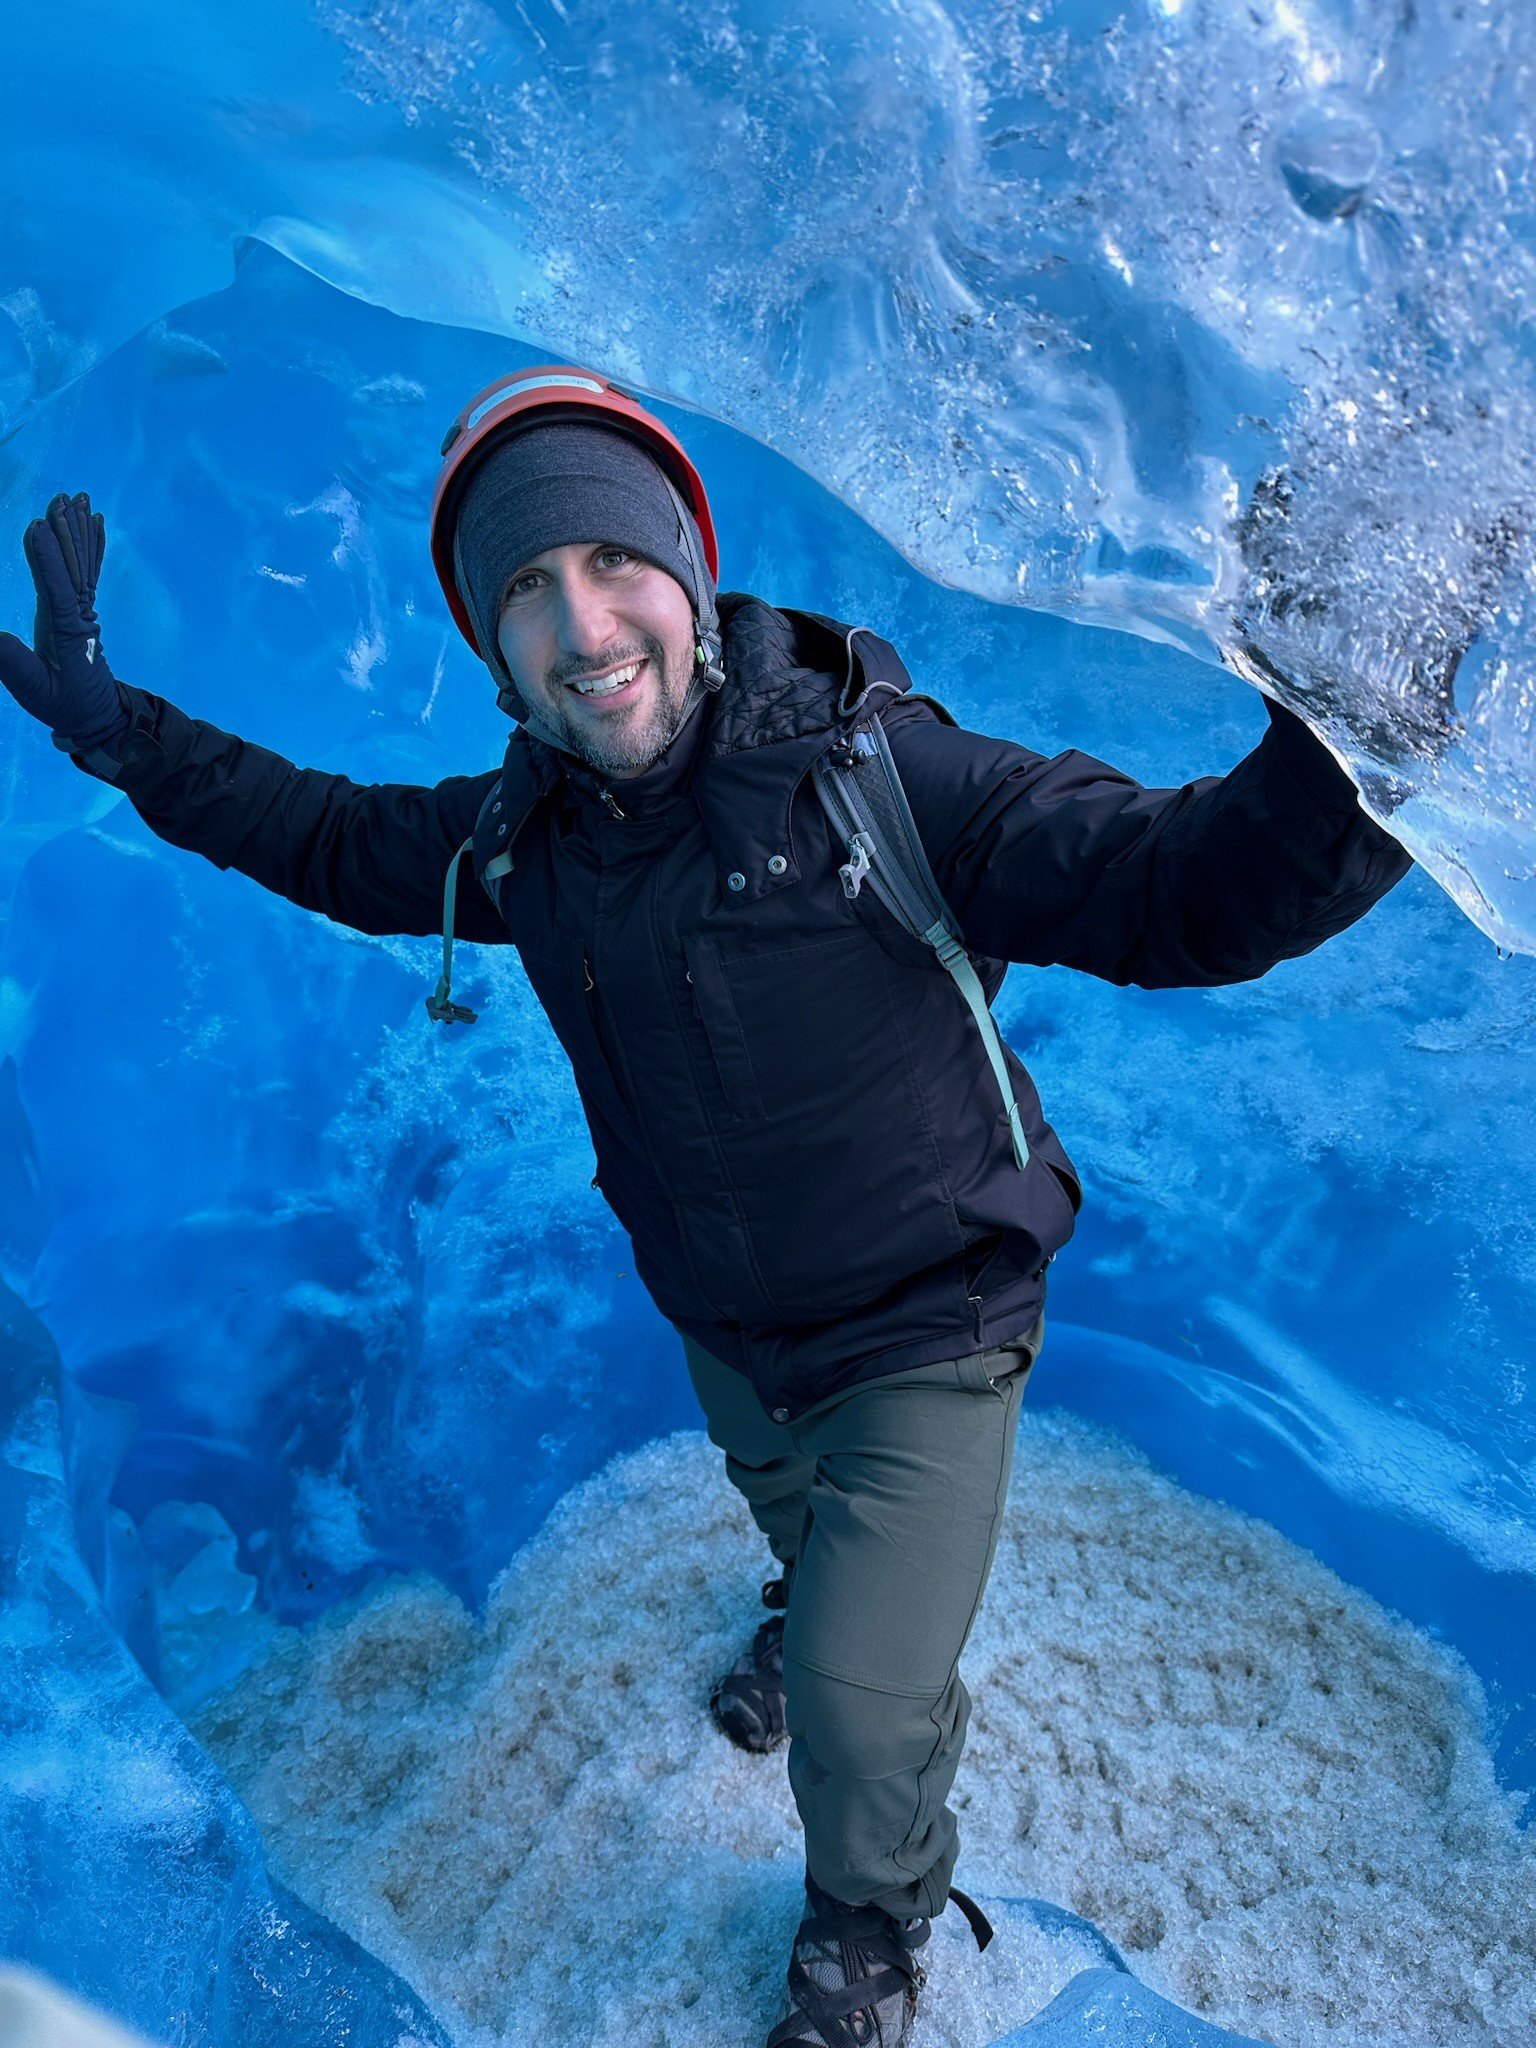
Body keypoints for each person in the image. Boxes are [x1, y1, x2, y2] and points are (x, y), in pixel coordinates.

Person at [0, 367, 1414, 2047]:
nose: (581, 624)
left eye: (609, 564)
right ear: (488, 643)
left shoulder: (886, 781)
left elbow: (1188, 889)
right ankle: (814, 1600)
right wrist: (113, 725)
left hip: (928, 1325)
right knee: (798, 1540)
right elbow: (314, 832)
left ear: (690, 572)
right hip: (732, 1329)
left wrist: (1355, 731)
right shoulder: (522, 843)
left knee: (853, 1705)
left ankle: (874, 1928)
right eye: (522, 589)